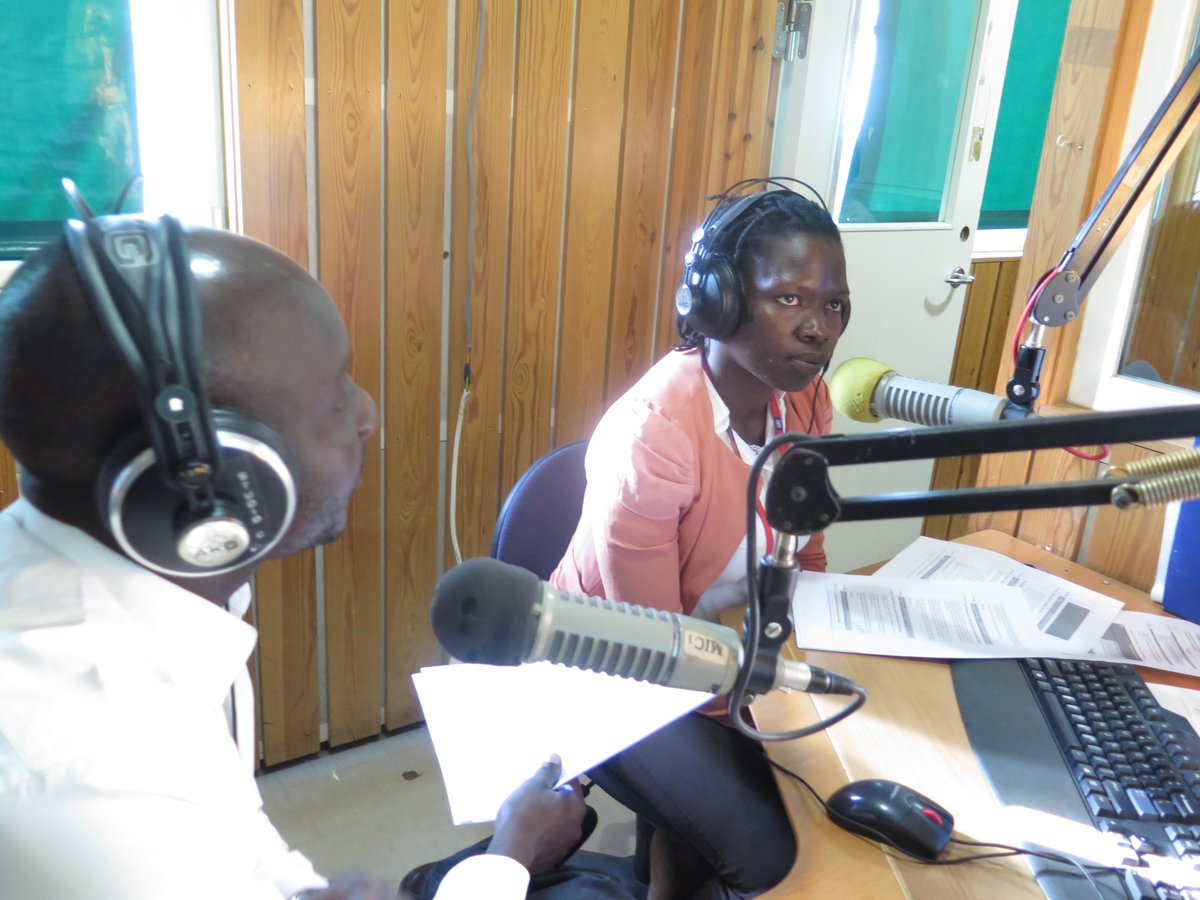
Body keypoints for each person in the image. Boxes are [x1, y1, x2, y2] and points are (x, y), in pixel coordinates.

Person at [0, 217, 632, 899]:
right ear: (216, 471)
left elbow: (235, 846)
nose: (368, 414)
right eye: (335, 399)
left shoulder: (125, 590)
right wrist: (513, 855)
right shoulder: (87, 775)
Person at [550, 179, 852, 899]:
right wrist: (773, 714)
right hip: (613, 668)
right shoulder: (653, 433)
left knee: (832, 774)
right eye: (789, 299)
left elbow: (805, 554)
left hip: (723, 649)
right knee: (775, 849)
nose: (818, 328)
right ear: (717, 301)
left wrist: (813, 666)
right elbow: (658, 646)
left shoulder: (807, 402)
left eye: (834, 305)